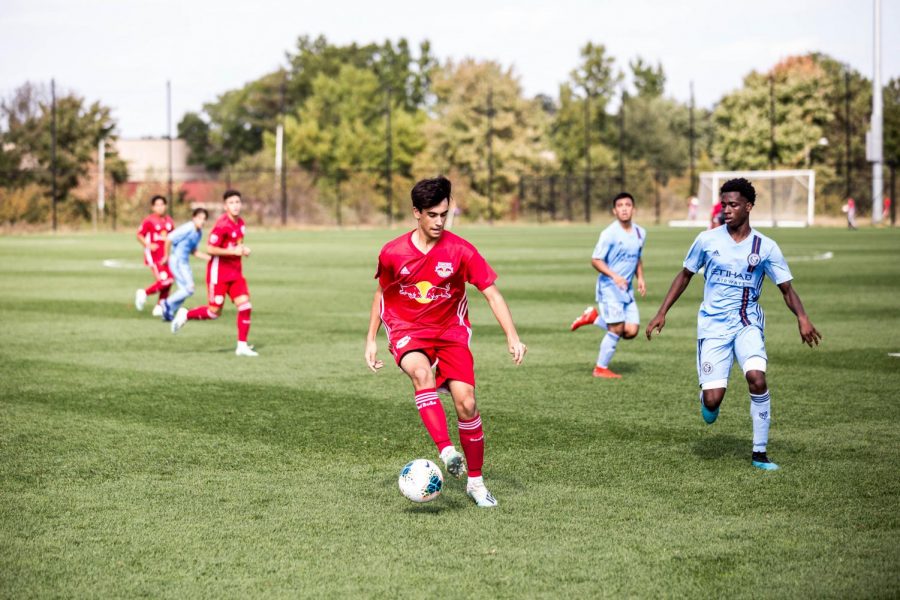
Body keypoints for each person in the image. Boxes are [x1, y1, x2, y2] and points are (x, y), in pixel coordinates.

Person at [364, 176, 527, 508]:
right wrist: (370, 339)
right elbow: (381, 293)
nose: (439, 221)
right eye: (432, 215)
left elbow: (492, 295)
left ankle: (476, 484)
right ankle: (446, 449)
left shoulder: (461, 250)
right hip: (406, 327)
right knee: (420, 374)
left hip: (451, 332)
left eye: (444, 214)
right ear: (416, 213)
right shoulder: (392, 253)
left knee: (466, 404)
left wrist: (512, 336)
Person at [646, 178, 821, 471]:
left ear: (748, 206)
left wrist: (802, 318)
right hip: (713, 327)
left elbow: (787, 289)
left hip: (747, 323)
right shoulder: (707, 240)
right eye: (724, 204)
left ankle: (760, 453)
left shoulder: (765, 247)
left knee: (757, 377)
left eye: (733, 204)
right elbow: (685, 275)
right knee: (713, 402)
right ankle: (707, 399)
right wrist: (662, 311)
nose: (726, 210)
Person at [171, 190, 256, 357]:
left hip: (236, 273)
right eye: (231, 202)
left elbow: (237, 245)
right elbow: (210, 248)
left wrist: (242, 249)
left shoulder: (241, 223)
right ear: (225, 206)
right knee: (213, 312)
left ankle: (242, 346)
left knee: (245, 306)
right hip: (219, 274)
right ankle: (186, 314)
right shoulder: (222, 225)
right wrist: (232, 251)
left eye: (237, 202)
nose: (235, 205)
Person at [570, 192, 646, 378]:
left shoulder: (640, 232)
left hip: (626, 290)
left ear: (633, 209)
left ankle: (593, 318)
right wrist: (615, 276)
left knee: (631, 331)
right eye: (620, 205)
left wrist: (641, 278)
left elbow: (637, 257)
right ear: (614, 211)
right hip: (609, 288)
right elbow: (596, 260)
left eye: (627, 205)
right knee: (616, 329)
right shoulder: (609, 233)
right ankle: (600, 368)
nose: (624, 208)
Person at [160, 208, 210, 321]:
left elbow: (194, 251)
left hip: (184, 262)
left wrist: (209, 258)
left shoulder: (199, 233)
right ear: (194, 218)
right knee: (189, 289)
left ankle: (168, 312)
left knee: (184, 291)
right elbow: (169, 238)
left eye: (204, 219)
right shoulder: (188, 228)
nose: (202, 221)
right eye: (199, 218)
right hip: (177, 261)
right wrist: (166, 256)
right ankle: (166, 303)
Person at [135, 195, 175, 316]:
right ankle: (144, 293)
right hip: (154, 255)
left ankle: (160, 306)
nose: (160, 207)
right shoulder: (149, 220)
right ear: (153, 207)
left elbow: (171, 238)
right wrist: (148, 245)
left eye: (162, 204)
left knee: (170, 280)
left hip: (165, 255)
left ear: (165, 206)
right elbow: (139, 235)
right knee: (165, 280)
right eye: (157, 205)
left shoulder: (169, 221)